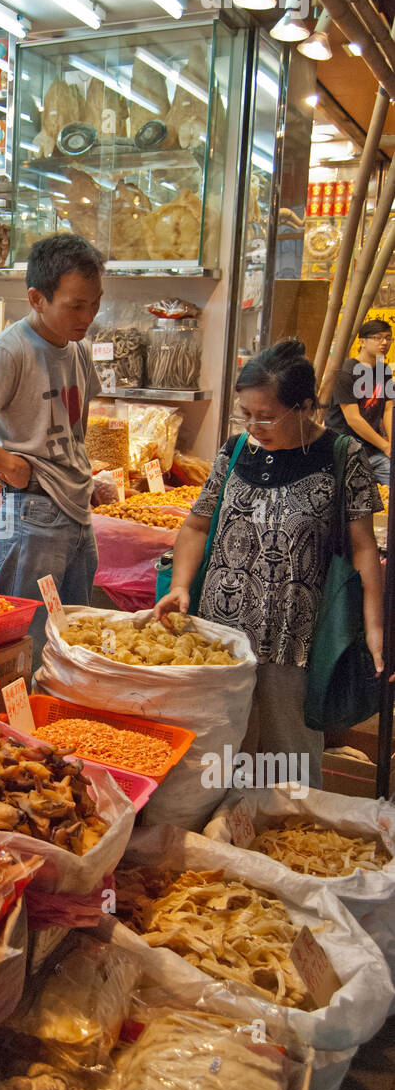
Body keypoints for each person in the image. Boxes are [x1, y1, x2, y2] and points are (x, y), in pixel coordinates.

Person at [154, 338, 384, 790]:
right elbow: (197, 527)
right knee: (220, 755)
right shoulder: (237, 450)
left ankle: (287, 848)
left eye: (266, 415)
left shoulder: (341, 457)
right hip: (219, 637)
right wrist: (180, 585)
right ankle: (223, 845)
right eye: (247, 413)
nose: (254, 425)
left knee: (288, 762)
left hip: (293, 640)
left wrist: (373, 624)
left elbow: (363, 548)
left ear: (304, 407)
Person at [0, 233, 114, 659]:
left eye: (95, 302)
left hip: (77, 511)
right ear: (37, 298)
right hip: (33, 515)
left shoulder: (78, 348)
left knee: (74, 641)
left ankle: (57, 721)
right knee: (20, 644)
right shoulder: (11, 351)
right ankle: (14, 721)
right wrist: (7, 464)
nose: (89, 316)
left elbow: (75, 425)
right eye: (76, 304)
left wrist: (84, 471)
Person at [325, 317, 393, 485]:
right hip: (346, 450)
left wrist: (391, 443)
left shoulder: (384, 370)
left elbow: (388, 409)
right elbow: (353, 419)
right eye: (377, 338)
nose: (384, 342)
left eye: (388, 337)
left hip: (373, 450)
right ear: (362, 341)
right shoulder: (346, 372)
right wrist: (385, 446)